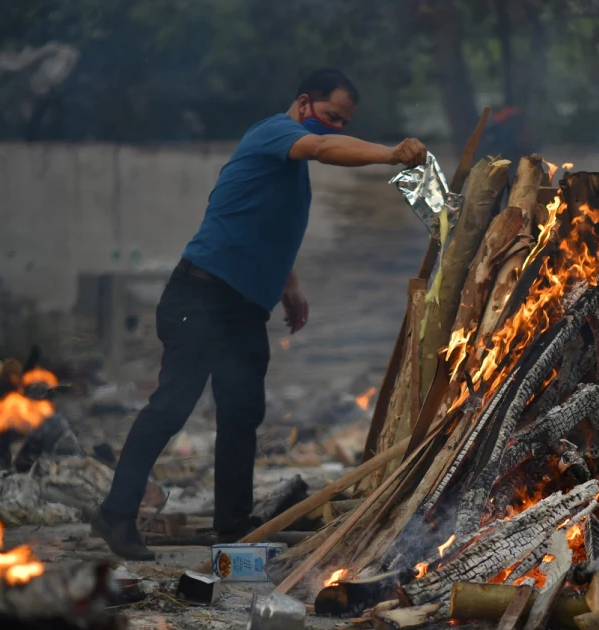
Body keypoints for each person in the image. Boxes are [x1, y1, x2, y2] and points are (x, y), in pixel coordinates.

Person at [94, 68, 428, 560]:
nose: (334, 129)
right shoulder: (278, 133)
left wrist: (288, 285)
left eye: (343, 122)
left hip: (243, 309)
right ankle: (116, 514)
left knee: (242, 413)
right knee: (171, 406)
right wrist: (388, 154)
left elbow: (264, 223)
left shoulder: (288, 167)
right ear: (304, 104)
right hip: (200, 295)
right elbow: (324, 150)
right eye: (332, 117)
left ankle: (232, 527)